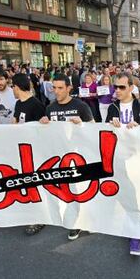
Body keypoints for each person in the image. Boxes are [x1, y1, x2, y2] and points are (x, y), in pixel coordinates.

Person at [39, 74, 94, 241]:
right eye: (54, 88)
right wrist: (43, 124)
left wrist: (82, 125)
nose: (56, 91)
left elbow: (93, 128)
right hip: (60, 156)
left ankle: (85, 220)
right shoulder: (50, 108)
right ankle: (74, 220)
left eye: (60, 88)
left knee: (81, 190)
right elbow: (47, 134)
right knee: (67, 190)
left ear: (69, 88)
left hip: (79, 155)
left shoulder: (81, 106)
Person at [106, 72, 140, 256]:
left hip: (138, 159)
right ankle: (128, 226)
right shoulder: (112, 107)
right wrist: (111, 125)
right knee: (125, 195)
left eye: (121, 87)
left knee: (137, 197)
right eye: (115, 87)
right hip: (119, 159)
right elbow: (104, 132)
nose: (117, 90)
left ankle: (136, 235)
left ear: (131, 88)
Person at [11, 73, 46, 235]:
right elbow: (15, 123)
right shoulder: (18, 104)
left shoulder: (36, 105)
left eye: (13, 86)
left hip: (35, 152)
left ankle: (40, 218)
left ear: (17, 87)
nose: (12, 89)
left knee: (35, 184)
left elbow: (43, 130)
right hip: (21, 150)